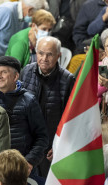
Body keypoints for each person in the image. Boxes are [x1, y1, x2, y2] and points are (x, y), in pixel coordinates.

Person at [20, 36, 75, 177]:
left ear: (58, 56)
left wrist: (58, 144)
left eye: (49, 54)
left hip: (50, 148)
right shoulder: (26, 71)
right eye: (40, 53)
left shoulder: (68, 79)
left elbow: (70, 117)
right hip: (26, 143)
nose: (44, 58)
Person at [0, 56, 48, 176]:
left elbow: (42, 137)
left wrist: (29, 161)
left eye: (3, 72)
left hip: (24, 169)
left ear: (15, 76)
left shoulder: (29, 101)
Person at [0, 0, 48, 87]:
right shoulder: (5, 11)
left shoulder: (24, 18)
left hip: (0, 60)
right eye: (38, 15)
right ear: (30, 10)